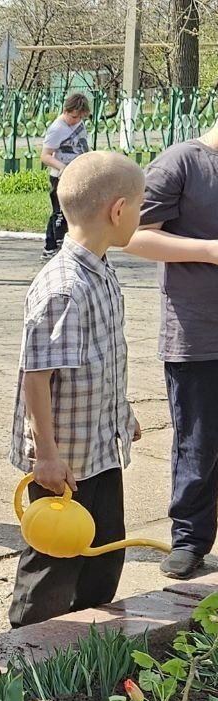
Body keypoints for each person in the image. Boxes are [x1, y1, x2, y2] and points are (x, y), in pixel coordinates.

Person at [8, 151, 144, 627]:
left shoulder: (102, 271)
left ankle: (83, 647)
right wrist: (45, 453)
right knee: (52, 567)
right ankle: (25, 658)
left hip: (101, 453)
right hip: (62, 466)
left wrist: (122, 415)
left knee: (104, 556)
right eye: (141, 206)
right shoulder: (65, 286)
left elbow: (101, 361)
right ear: (118, 210)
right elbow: (37, 376)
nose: (141, 216)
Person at [124, 120, 218, 580]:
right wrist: (210, 251)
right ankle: (190, 539)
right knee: (198, 445)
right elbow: (132, 234)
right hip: (198, 335)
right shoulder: (183, 161)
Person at [40, 92, 91, 258]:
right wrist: (62, 167)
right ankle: (55, 246)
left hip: (78, 174)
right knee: (60, 212)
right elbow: (45, 156)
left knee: (74, 211)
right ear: (66, 110)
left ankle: (52, 245)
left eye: (79, 117)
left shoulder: (79, 124)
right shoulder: (57, 128)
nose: (76, 120)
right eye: (73, 116)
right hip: (60, 176)